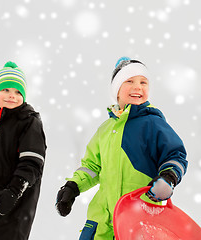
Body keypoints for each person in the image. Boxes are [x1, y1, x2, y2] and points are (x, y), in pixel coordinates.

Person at [56, 57, 188, 240]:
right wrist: (73, 186)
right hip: (101, 222)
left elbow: (175, 155)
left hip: (139, 218)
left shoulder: (153, 124)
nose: (138, 87)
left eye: (143, 82)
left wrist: (168, 178)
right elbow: (92, 166)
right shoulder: (105, 129)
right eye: (129, 81)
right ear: (116, 91)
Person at [0, 61, 47, 239]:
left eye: (18, 92)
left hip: (14, 208)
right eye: (6, 90)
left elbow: (32, 163)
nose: (12, 96)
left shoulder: (29, 121)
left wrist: (13, 193)